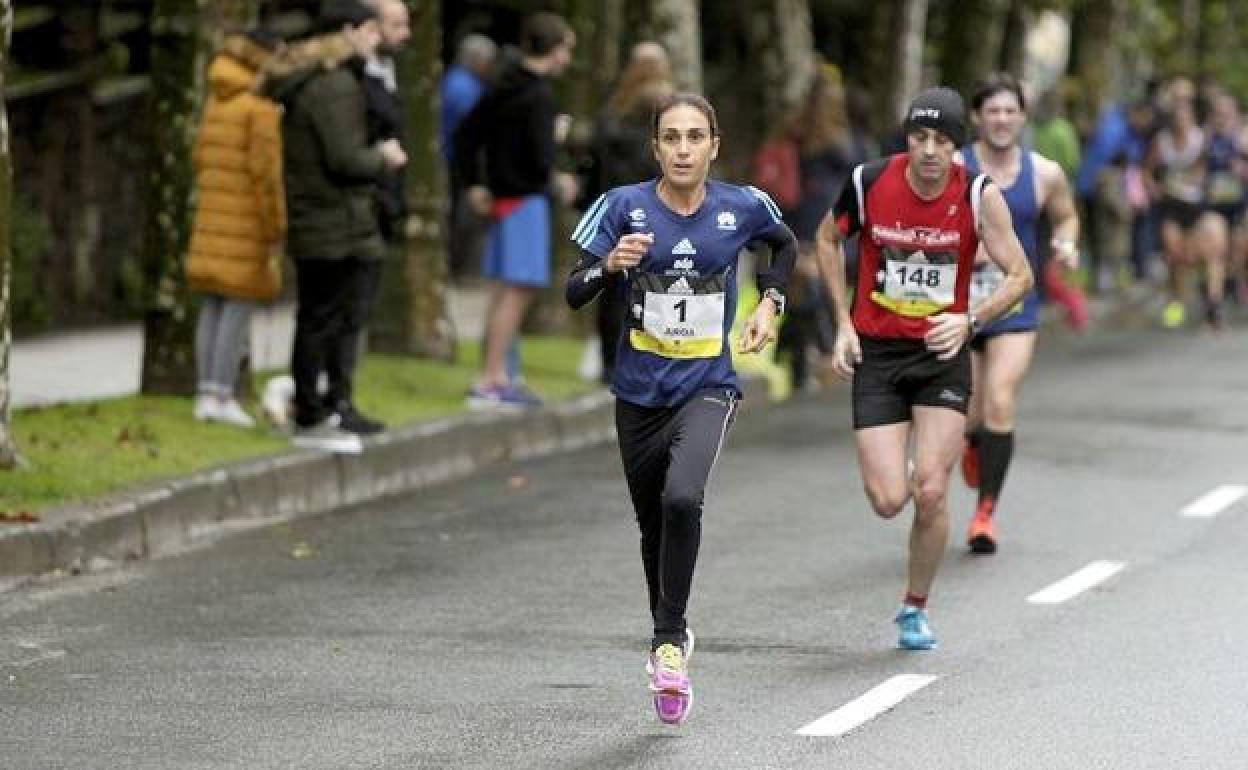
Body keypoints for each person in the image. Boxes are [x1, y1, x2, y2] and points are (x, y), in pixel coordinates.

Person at [566, 93, 795, 724]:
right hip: (638, 393)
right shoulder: (621, 206)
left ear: (714, 145)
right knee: (652, 524)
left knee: (681, 499)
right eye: (672, 138)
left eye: (696, 137)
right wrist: (609, 266)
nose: (685, 149)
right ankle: (669, 632)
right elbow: (573, 292)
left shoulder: (742, 205)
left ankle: (668, 641)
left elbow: (786, 246)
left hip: (708, 385)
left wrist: (770, 304)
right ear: (656, 148)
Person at [815, 87, 1032, 650]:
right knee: (891, 500)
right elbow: (824, 237)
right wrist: (843, 321)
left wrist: (969, 320)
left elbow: (1020, 276)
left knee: (932, 493)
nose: (930, 150)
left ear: (960, 146)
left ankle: (914, 607)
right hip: (880, 355)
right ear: (907, 137)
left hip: (941, 356)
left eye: (942, 140)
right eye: (920, 137)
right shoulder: (868, 183)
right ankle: (914, 463)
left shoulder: (980, 195)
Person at [264, 0, 407, 452]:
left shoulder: (325, 81)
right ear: (350, 31)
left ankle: (322, 405)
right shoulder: (335, 86)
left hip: (324, 216)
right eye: (369, 31)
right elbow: (345, 158)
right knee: (324, 318)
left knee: (320, 316)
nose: (376, 40)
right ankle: (313, 410)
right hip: (333, 218)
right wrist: (382, 159)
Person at [958, 73, 1080, 553]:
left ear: (1023, 117)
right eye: (993, 111)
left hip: (1015, 302)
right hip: (961, 305)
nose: (1002, 119)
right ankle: (973, 444)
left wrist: (1066, 243)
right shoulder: (954, 166)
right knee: (967, 412)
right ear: (977, 117)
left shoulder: (1044, 172)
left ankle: (985, 515)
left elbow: (1068, 214)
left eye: (1010, 111)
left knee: (1000, 399)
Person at [455, 12, 578, 410]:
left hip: (502, 197)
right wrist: (556, 150)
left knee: (502, 290)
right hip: (526, 200)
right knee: (517, 291)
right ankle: (492, 379)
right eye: (567, 50)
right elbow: (540, 158)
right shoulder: (539, 95)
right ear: (554, 49)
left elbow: (467, 135)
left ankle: (499, 373)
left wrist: (475, 181)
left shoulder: (500, 85)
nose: (568, 59)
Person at [317, 0, 412, 437]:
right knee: (339, 310)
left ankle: (339, 395)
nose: (400, 34)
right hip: (357, 207)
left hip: (378, 206)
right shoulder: (351, 80)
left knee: (354, 310)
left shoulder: (383, 75)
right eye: (390, 25)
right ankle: (332, 398)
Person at [186, 28, 285, 428]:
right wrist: (276, 226)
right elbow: (267, 176)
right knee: (237, 307)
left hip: (212, 216)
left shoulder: (216, 103)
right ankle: (222, 393)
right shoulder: (258, 111)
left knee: (212, 305)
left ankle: (205, 391)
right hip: (245, 220)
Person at [579, 41, 674, 383]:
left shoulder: (613, 111)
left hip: (616, 209)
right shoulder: (671, 111)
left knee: (614, 285)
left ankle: (611, 362)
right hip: (659, 210)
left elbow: (596, 162)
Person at [1144, 80, 1226, 329]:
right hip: (1172, 207)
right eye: (1177, 114)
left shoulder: (1201, 138)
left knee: (1211, 253)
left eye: (1185, 113)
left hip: (1198, 206)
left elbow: (1205, 173)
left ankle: (1213, 307)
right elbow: (1147, 171)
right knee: (1176, 257)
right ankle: (1178, 302)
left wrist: (1193, 180)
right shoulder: (1162, 140)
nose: (1181, 119)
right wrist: (1154, 188)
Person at [440, 34, 498, 281]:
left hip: (454, 156)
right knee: (460, 216)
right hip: (456, 160)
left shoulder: (462, 81)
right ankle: (456, 267)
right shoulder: (462, 86)